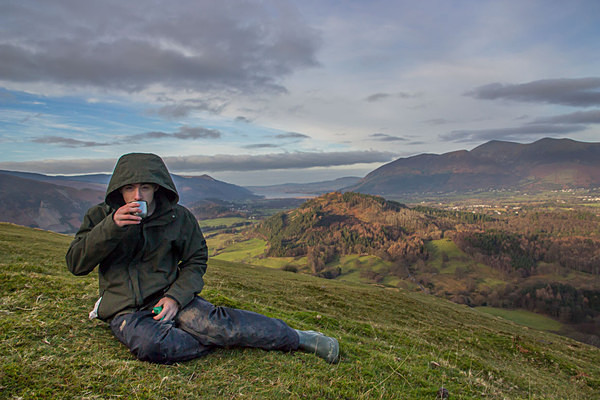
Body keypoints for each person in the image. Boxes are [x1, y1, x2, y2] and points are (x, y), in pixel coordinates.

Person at [66, 153, 339, 364]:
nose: (137, 196)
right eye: (130, 188)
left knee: (222, 325)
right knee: (152, 346)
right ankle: (216, 338)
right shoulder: (100, 217)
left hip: (171, 297)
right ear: (119, 190)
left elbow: (196, 260)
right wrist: (111, 227)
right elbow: (76, 264)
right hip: (125, 310)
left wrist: (175, 297)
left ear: (157, 189)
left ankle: (299, 338)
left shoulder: (179, 218)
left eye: (145, 187)